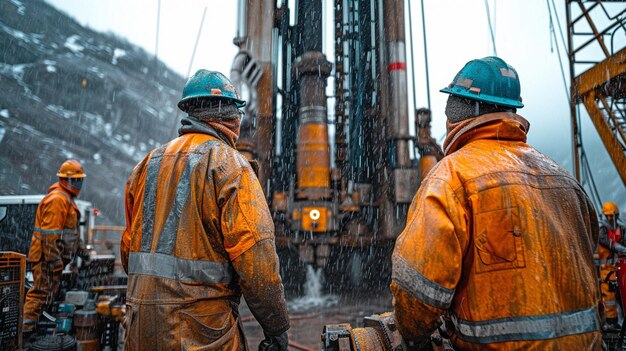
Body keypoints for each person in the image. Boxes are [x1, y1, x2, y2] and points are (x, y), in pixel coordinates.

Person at [390, 57, 602, 349]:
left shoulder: (452, 178)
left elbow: (417, 296)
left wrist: (413, 334)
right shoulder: (565, 180)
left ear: (467, 110)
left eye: (454, 106)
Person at [121, 69, 290, 350]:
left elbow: (128, 252)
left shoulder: (146, 165)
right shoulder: (231, 166)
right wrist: (276, 327)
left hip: (140, 329)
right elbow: (257, 263)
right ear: (229, 118)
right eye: (238, 114)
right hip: (200, 332)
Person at [23, 159, 86, 332]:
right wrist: (54, 261)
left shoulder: (66, 199)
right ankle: (22, 336)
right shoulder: (58, 199)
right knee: (40, 294)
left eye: (81, 180)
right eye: (77, 180)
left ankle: (31, 331)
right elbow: (50, 236)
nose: (79, 184)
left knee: (46, 296)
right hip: (45, 259)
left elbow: (70, 232)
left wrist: (82, 251)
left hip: (51, 259)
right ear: (67, 180)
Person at [597, 201, 626, 331]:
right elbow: (606, 241)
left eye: (612, 216)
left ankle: (621, 321)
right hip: (607, 271)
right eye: (608, 216)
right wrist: (617, 247)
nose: (610, 218)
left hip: (621, 269)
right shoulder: (602, 230)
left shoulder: (622, 229)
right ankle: (611, 323)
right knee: (609, 298)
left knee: (622, 296)